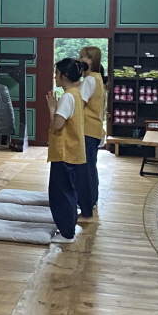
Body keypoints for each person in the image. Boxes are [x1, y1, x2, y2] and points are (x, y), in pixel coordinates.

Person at [46, 58, 88, 244]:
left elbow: (57, 123)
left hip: (64, 152)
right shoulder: (76, 94)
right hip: (73, 151)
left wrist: (52, 108)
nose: (55, 77)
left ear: (64, 76)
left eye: (57, 73)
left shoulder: (67, 97)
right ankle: (68, 229)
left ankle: (67, 233)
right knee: (68, 191)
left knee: (61, 194)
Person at [78, 46, 108, 221]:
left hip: (87, 129)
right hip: (94, 129)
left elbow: (79, 104)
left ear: (90, 60)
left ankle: (87, 205)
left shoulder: (90, 80)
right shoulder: (98, 78)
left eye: (82, 56)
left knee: (85, 169)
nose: (79, 60)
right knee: (90, 167)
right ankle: (91, 201)